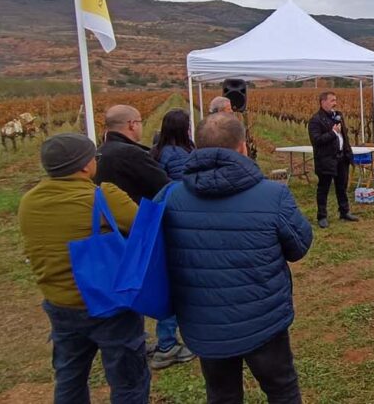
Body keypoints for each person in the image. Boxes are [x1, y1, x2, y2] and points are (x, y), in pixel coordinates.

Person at [161, 113, 314, 404]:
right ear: (243, 147)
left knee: (221, 394)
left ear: (197, 146)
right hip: (263, 319)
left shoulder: (170, 198)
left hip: (203, 321)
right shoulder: (273, 195)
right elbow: (299, 246)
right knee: (282, 389)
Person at [18, 133, 150, 403]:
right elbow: (145, 229)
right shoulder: (104, 197)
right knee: (128, 380)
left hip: (60, 303)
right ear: (83, 166)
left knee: (69, 377)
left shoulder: (29, 202)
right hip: (109, 303)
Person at [144, 108, 197, 369]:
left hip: (164, 221)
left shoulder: (156, 152)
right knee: (181, 280)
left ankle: (167, 339)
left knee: (168, 279)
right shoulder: (180, 155)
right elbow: (191, 182)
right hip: (182, 221)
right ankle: (168, 343)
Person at [95, 105, 170, 204]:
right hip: (137, 215)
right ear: (132, 124)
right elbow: (164, 186)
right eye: (140, 122)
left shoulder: (99, 152)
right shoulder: (132, 154)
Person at [308, 91, 358, 229]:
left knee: (341, 187)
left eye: (335, 100)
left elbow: (345, 137)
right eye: (331, 100)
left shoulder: (338, 116)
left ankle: (344, 211)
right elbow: (316, 141)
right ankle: (322, 216)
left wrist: (348, 154)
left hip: (341, 158)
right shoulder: (315, 120)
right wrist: (333, 132)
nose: (334, 103)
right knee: (323, 188)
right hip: (326, 160)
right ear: (322, 102)